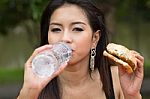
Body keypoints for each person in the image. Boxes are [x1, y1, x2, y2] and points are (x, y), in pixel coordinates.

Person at [17, 0, 144, 99]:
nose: (65, 38)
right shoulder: (37, 85)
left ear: (95, 38)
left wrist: (132, 95)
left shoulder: (117, 80)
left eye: (77, 29)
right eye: (56, 29)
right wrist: (28, 92)